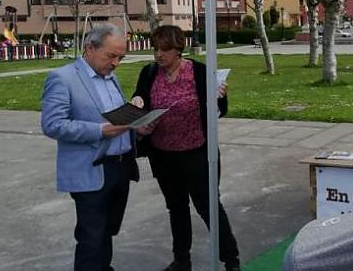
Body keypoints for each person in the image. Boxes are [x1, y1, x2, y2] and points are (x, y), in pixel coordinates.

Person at [130, 25, 241, 271]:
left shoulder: (199, 72)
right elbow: (140, 100)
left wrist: (220, 97)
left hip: (197, 152)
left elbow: (220, 110)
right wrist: (138, 110)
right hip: (163, 154)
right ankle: (182, 260)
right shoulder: (149, 73)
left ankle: (231, 261)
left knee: (209, 207)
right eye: (156, 49)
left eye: (165, 50)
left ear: (178, 49)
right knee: (176, 208)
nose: (159, 55)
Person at [40, 23, 139, 271]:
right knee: (91, 238)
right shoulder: (62, 78)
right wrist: (99, 130)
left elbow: (112, 114)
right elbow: (53, 125)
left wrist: (135, 115)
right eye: (111, 56)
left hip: (119, 168)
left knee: (106, 232)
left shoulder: (110, 76)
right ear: (89, 48)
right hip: (90, 170)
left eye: (121, 57)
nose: (116, 63)